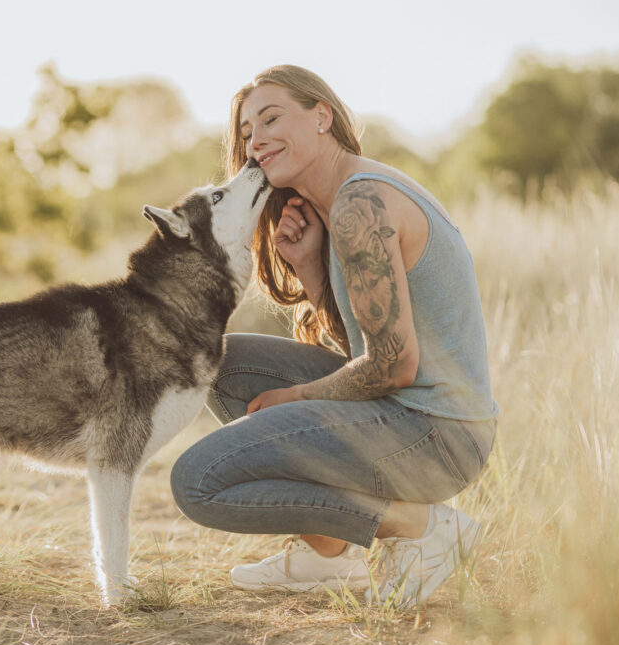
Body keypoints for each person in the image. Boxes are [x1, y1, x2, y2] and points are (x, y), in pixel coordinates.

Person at [169, 65, 498, 608]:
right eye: (248, 131)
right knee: (222, 366)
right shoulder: (342, 199)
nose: (257, 140)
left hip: (438, 435)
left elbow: (394, 368)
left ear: (322, 116)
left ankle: (422, 528)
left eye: (272, 118)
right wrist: (313, 274)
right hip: (411, 416)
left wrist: (291, 399)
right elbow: (369, 353)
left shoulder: (360, 203)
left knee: (196, 483)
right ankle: (326, 558)